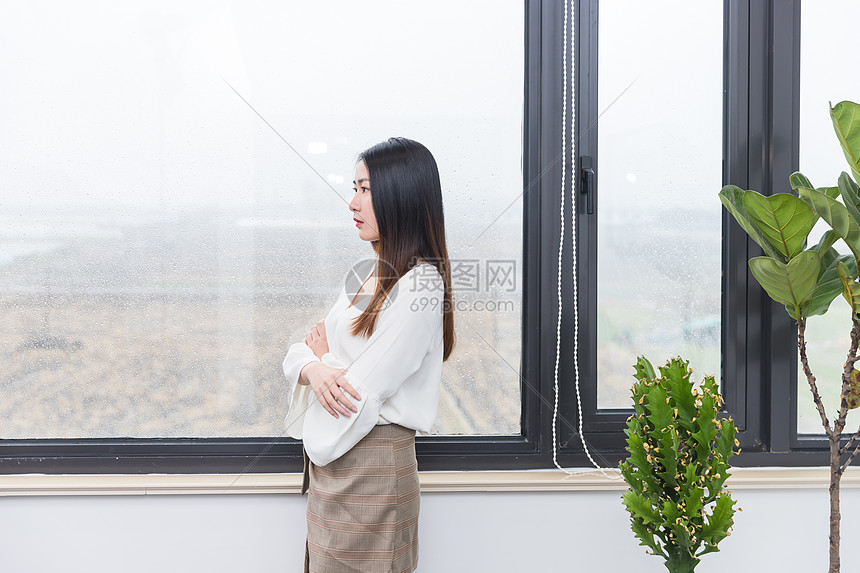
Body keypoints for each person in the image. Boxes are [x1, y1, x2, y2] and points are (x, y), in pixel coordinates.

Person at [281, 137, 456, 573]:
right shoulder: (369, 273)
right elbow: (302, 349)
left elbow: (357, 394)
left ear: (401, 197)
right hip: (338, 467)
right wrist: (316, 367)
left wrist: (322, 366)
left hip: (373, 468)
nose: (352, 202)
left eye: (365, 190)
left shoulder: (421, 286)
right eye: (354, 188)